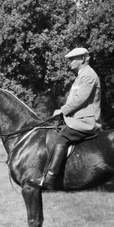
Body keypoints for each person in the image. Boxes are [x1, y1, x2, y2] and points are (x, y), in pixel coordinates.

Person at [28, 47, 102, 190]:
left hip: (85, 121)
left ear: (81, 59)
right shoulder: (81, 75)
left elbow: (80, 99)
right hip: (76, 119)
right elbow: (73, 99)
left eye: (72, 60)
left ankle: (50, 177)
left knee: (62, 137)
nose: (69, 63)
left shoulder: (88, 75)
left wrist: (62, 111)